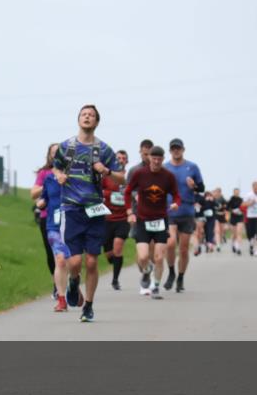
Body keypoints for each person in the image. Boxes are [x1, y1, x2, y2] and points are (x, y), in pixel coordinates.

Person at [52, 105, 124, 323]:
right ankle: (74, 282)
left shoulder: (103, 149)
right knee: (73, 263)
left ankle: (89, 306)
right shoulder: (66, 146)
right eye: (84, 114)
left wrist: (107, 171)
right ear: (78, 119)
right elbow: (55, 167)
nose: (87, 117)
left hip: (94, 211)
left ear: (96, 122)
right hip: (72, 209)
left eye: (91, 115)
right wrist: (59, 175)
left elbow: (123, 178)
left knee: (92, 262)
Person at [125, 146, 181, 299]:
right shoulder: (140, 174)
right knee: (143, 257)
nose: (156, 161)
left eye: (159, 159)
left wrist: (176, 203)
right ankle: (146, 271)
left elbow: (176, 194)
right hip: (143, 219)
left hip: (161, 220)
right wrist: (129, 212)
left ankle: (155, 286)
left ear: (163, 159)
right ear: (149, 158)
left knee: (158, 257)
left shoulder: (168, 176)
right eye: (153, 158)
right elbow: (128, 191)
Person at [163, 138, 204, 293]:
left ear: (183, 149)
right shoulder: (165, 168)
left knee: (184, 249)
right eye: (173, 148)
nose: (176, 150)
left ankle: (180, 277)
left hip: (187, 211)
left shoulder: (192, 167)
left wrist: (194, 185)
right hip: (170, 211)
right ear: (170, 150)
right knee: (171, 244)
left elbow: (202, 187)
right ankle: (171, 272)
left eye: (178, 148)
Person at [38, 146, 72, 312]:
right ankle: (61, 299)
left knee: (73, 263)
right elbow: (43, 197)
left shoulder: (76, 178)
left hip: (73, 225)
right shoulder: (48, 179)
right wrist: (41, 202)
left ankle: (74, 283)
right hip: (54, 226)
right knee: (60, 260)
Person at [31, 143, 60, 299]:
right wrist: (49, 185)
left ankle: (69, 281)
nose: (55, 155)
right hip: (47, 218)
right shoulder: (44, 173)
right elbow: (33, 193)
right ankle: (57, 285)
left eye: (58, 152)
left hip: (68, 217)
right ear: (49, 155)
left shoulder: (70, 171)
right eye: (53, 152)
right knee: (51, 254)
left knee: (68, 253)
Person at [102, 149, 129, 290]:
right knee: (108, 252)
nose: (120, 160)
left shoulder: (129, 177)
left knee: (118, 246)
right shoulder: (107, 176)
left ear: (127, 161)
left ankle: (115, 280)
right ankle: (115, 262)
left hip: (123, 218)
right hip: (107, 218)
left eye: (123, 158)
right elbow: (99, 191)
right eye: (118, 157)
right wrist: (110, 193)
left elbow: (134, 193)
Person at [228, 188, 245, 255]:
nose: (237, 193)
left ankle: (238, 248)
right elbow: (228, 208)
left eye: (238, 192)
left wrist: (241, 211)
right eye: (235, 192)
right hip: (233, 218)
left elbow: (244, 207)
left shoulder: (241, 200)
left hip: (240, 217)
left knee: (239, 232)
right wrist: (232, 210)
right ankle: (233, 244)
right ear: (233, 192)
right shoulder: (231, 199)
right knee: (234, 234)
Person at [213, 187, 228, 252]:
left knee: (221, 231)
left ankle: (221, 240)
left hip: (221, 217)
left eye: (217, 192)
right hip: (215, 217)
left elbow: (226, 209)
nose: (216, 193)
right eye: (215, 192)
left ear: (220, 192)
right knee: (217, 231)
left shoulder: (223, 200)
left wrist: (223, 212)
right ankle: (218, 245)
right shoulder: (212, 199)